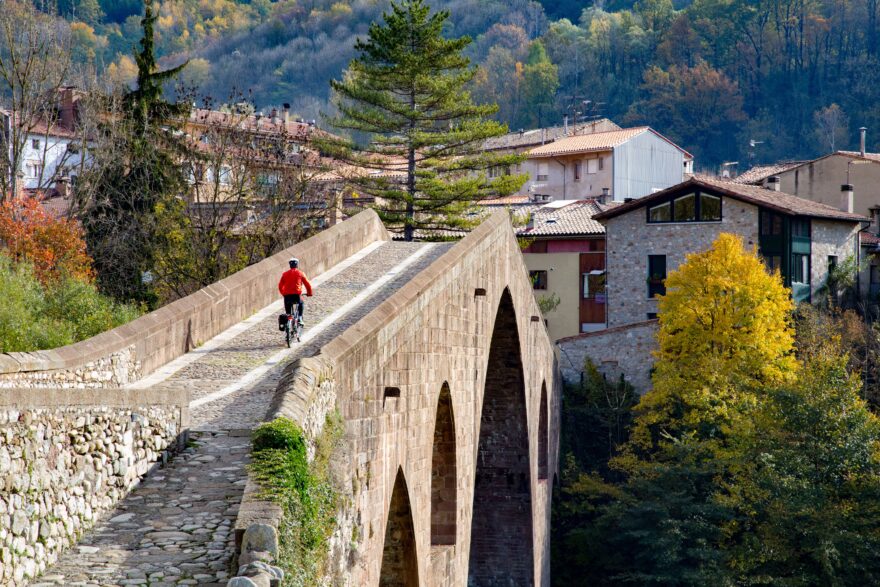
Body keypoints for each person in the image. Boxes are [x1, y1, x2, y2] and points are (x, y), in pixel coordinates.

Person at [278, 257, 313, 328]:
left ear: (290, 265)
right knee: (301, 302)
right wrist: (309, 293)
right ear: (297, 265)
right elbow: (307, 284)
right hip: (297, 294)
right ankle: (300, 317)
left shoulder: (285, 274)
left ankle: (288, 320)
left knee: (288, 312)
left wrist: (283, 294)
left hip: (287, 296)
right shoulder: (301, 273)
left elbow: (280, 286)